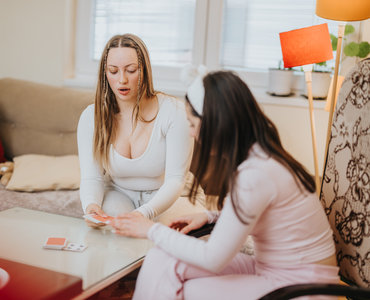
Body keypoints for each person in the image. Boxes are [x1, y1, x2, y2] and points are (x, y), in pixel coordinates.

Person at [111, 70, 339, 299]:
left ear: (216, 124)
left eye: (192, 123)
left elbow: (213, 257)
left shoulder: (256, 173)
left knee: (189, 291)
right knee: (161, 258)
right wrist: (211, 217)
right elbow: (264, 213)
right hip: (271, 269)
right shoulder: (257, 157)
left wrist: (150, 229)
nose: (190, 133)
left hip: (302, 288)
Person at [77, 34, 192, 226]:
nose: (122, 80)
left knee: (162, 238)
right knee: (114, 235)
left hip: (172, 196)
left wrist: (142, 214)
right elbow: (91, 177)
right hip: (119, 193)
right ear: (104, 73)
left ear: (144, 70)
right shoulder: (91, 117)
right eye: (113, 71)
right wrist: (91, 206)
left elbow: (175, 180)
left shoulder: (174, 112)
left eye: (131, 70)